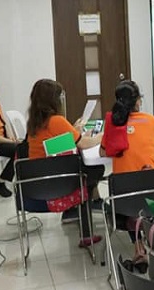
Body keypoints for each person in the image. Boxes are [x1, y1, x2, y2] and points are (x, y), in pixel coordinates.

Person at [25, 78, 103, 247]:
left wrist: (74, 132)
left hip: (37, 181)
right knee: (95, 170)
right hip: (54, 184)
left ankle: (77, 213)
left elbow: (51, 146)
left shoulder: (35, 123)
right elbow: (82, 144)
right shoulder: (56, 121)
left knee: (88, 171)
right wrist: (100, 137)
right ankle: (85, 227)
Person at [100, 80, 154, 174]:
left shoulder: (113, 122)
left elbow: (103, 152)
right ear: (137, 101)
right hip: (150, 182)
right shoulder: (151, 120)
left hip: (123, 184)